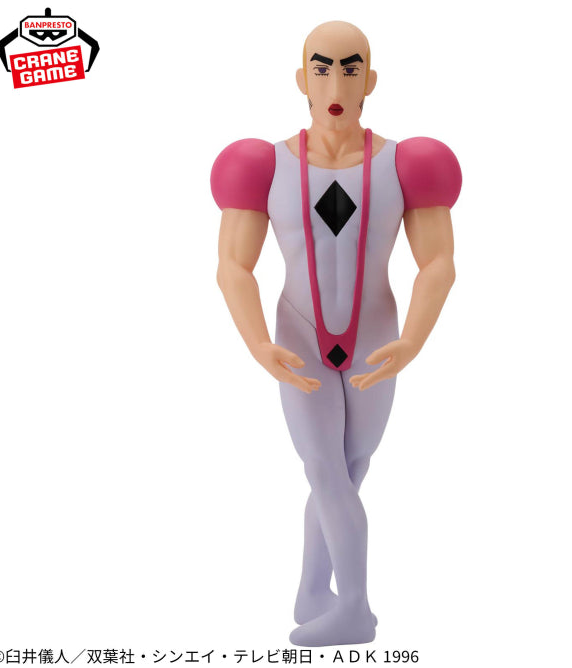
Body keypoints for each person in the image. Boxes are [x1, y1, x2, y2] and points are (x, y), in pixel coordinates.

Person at [211, 20, 461, 647]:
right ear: (302, 79)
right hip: (296, 339)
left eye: (351, 69)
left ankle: (310, 590)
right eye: (322, 68)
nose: (336, 83)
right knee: (323, 466)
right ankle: (355, 609)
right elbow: (233, 266)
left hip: (378, 335)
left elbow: (438, 262)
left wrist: (413, 339)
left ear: (370, 81)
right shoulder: (260, 164)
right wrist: (257, 343)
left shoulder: (410, 163)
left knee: (349, 467)